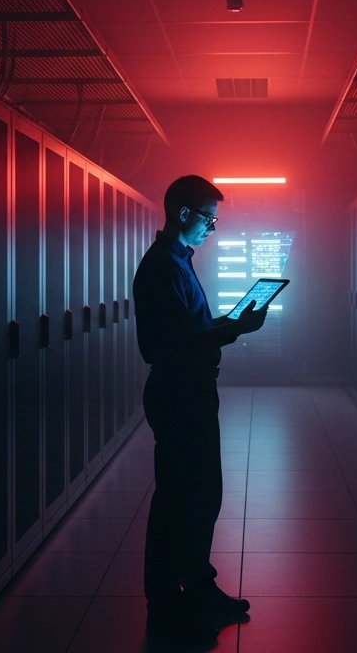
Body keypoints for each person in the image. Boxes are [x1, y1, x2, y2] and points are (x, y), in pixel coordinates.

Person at [132, 175, 269, 645]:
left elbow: (189, 330)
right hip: (178, 396)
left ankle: (196, 591)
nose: (213, 227)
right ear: (184, 213)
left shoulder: (177, 263)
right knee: (183, 501)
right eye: (209, 218)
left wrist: (225, 325)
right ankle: (170, 605)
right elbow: (170, 346)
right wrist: (234, 329)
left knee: (195, 498)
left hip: (186, 393)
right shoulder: (162, 268)